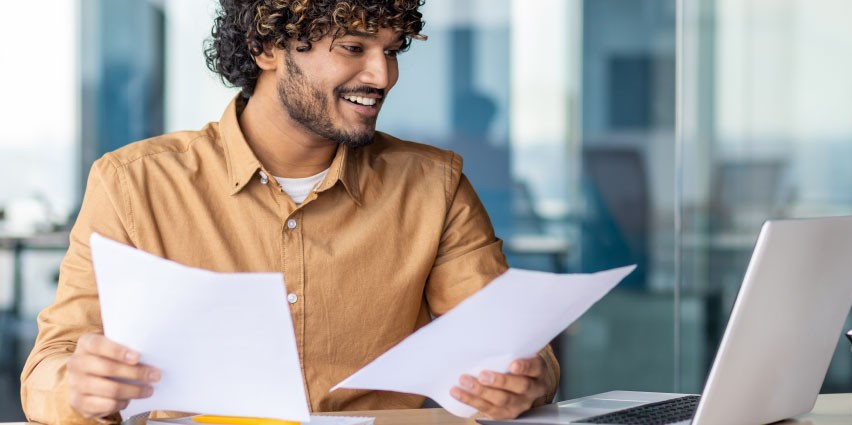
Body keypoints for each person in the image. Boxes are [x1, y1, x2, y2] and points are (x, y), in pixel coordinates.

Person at [20, 1, 559, 423]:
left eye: (392, 50)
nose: (382, 75)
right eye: (353, 46)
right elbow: (50, 366)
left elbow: (512, 347)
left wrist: (524, 380)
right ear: (268, 48)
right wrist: (80, 385)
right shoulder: (134, 184)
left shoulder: (433, 186)